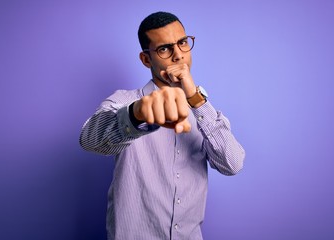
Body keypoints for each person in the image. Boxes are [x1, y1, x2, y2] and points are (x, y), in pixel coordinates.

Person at [80, 11, 245, 240]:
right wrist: (136, 114)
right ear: (146, 59)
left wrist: (194, 99)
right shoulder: (123, 101)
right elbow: (90, 140)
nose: (178, 55)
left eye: (182, 43)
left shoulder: (205, 112)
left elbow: (233, 164)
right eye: (165, 49)